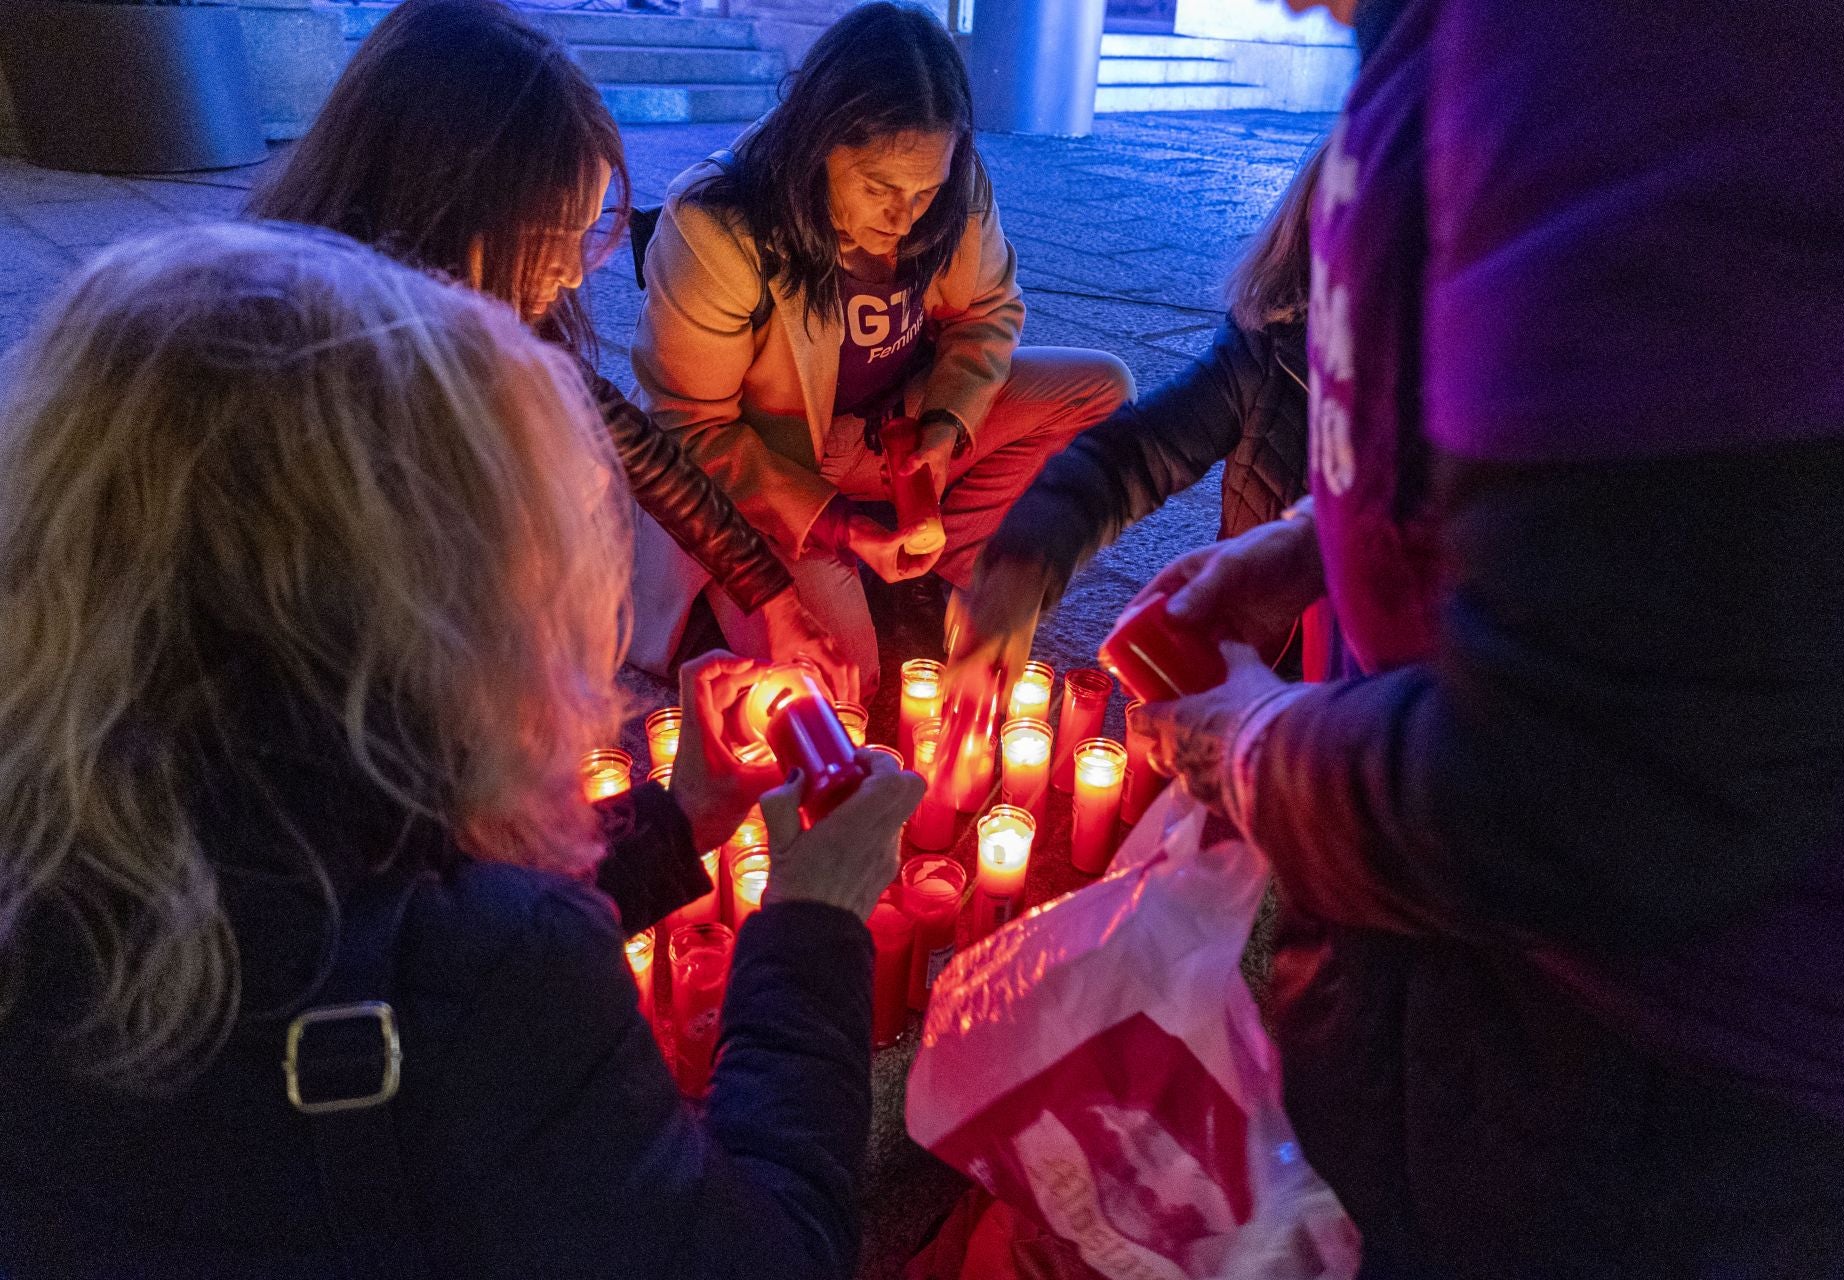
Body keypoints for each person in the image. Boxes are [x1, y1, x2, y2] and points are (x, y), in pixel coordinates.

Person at [1134, 0, 1844, 1274]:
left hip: (1686, 1092)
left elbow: (1601, 773)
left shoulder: (1647, 39)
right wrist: (1325, 538)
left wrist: (1255, 749)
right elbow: (1583, 407)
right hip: (1517, 996)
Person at [0, 222, 925, 1278]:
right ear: (442, 591)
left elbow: (358, 926)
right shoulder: (504, 972)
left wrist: (681, 819)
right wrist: (812, 922)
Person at [247, 0, 857, 698]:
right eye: (546, 238)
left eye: (584, 231)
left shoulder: (480, 298)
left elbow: (633, 441)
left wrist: (768, 594)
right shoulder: (314, 394)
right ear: (440, 205)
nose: (570, 271)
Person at [631, 0, 1135, 699]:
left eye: (925, 190)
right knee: (844, 687)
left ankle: (948, 576)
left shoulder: (951, 188)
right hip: (776, 462)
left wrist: (941, 430)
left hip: (888, 433)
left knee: (1102, 392)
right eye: (878, 188)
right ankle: (721, 611)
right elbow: (689, 428)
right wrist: (834, 524)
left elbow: (987, 312)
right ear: (817, 146)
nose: (904, 219)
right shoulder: (718, 224)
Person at [945, 143, 1331, 697]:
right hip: (1250, 654)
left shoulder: (1472, 457)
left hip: (1363, 720)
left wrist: (1269, 732)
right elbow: (1135, 454)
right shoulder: (1276, 346)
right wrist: (1022, 567)